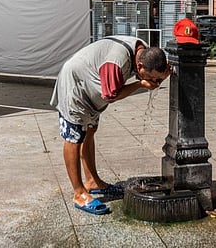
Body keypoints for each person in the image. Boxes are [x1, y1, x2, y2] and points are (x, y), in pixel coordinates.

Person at [50, 35, 170, 215]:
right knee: (73, 137)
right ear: (140, 67)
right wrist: (139, 84)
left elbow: (154, 70)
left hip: (90, 90)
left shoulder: (143, 51)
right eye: (153, 78)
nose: (154, 82)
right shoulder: (117, 62)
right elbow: (110, 95)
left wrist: (161, 75)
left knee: (90, 131)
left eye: (157, 80)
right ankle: (79, 193)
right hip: (75, 87)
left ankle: (92, 182)